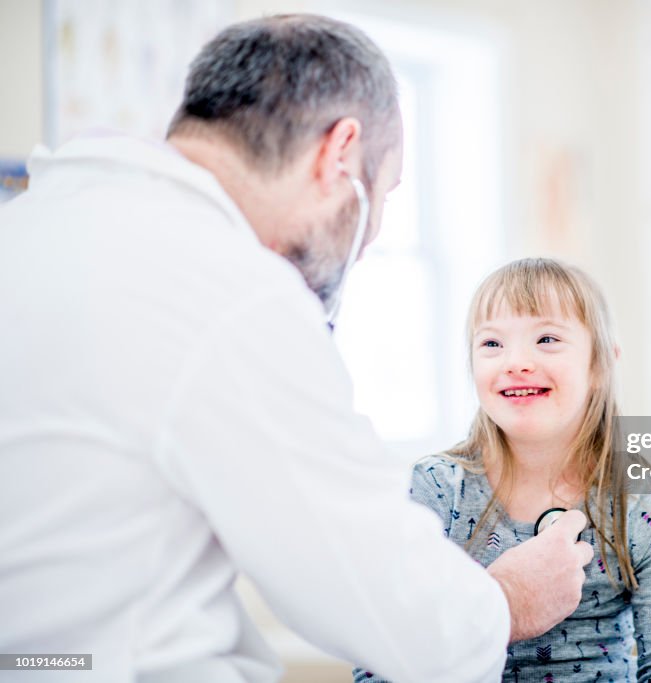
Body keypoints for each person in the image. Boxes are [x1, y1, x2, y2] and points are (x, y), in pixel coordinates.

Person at [0, 15, 593, 683]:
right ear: (340, 153)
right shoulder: (230, 290)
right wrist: (511, 596)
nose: (371, 239)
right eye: (387, 190)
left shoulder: (32, 227)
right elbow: (404, 618)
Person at [355, 258, 651, 682]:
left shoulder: (646, 508)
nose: (516, 361)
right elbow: (380, 660)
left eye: (546, 338)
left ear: (600, 365)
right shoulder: (431, 491)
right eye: (491, 344)